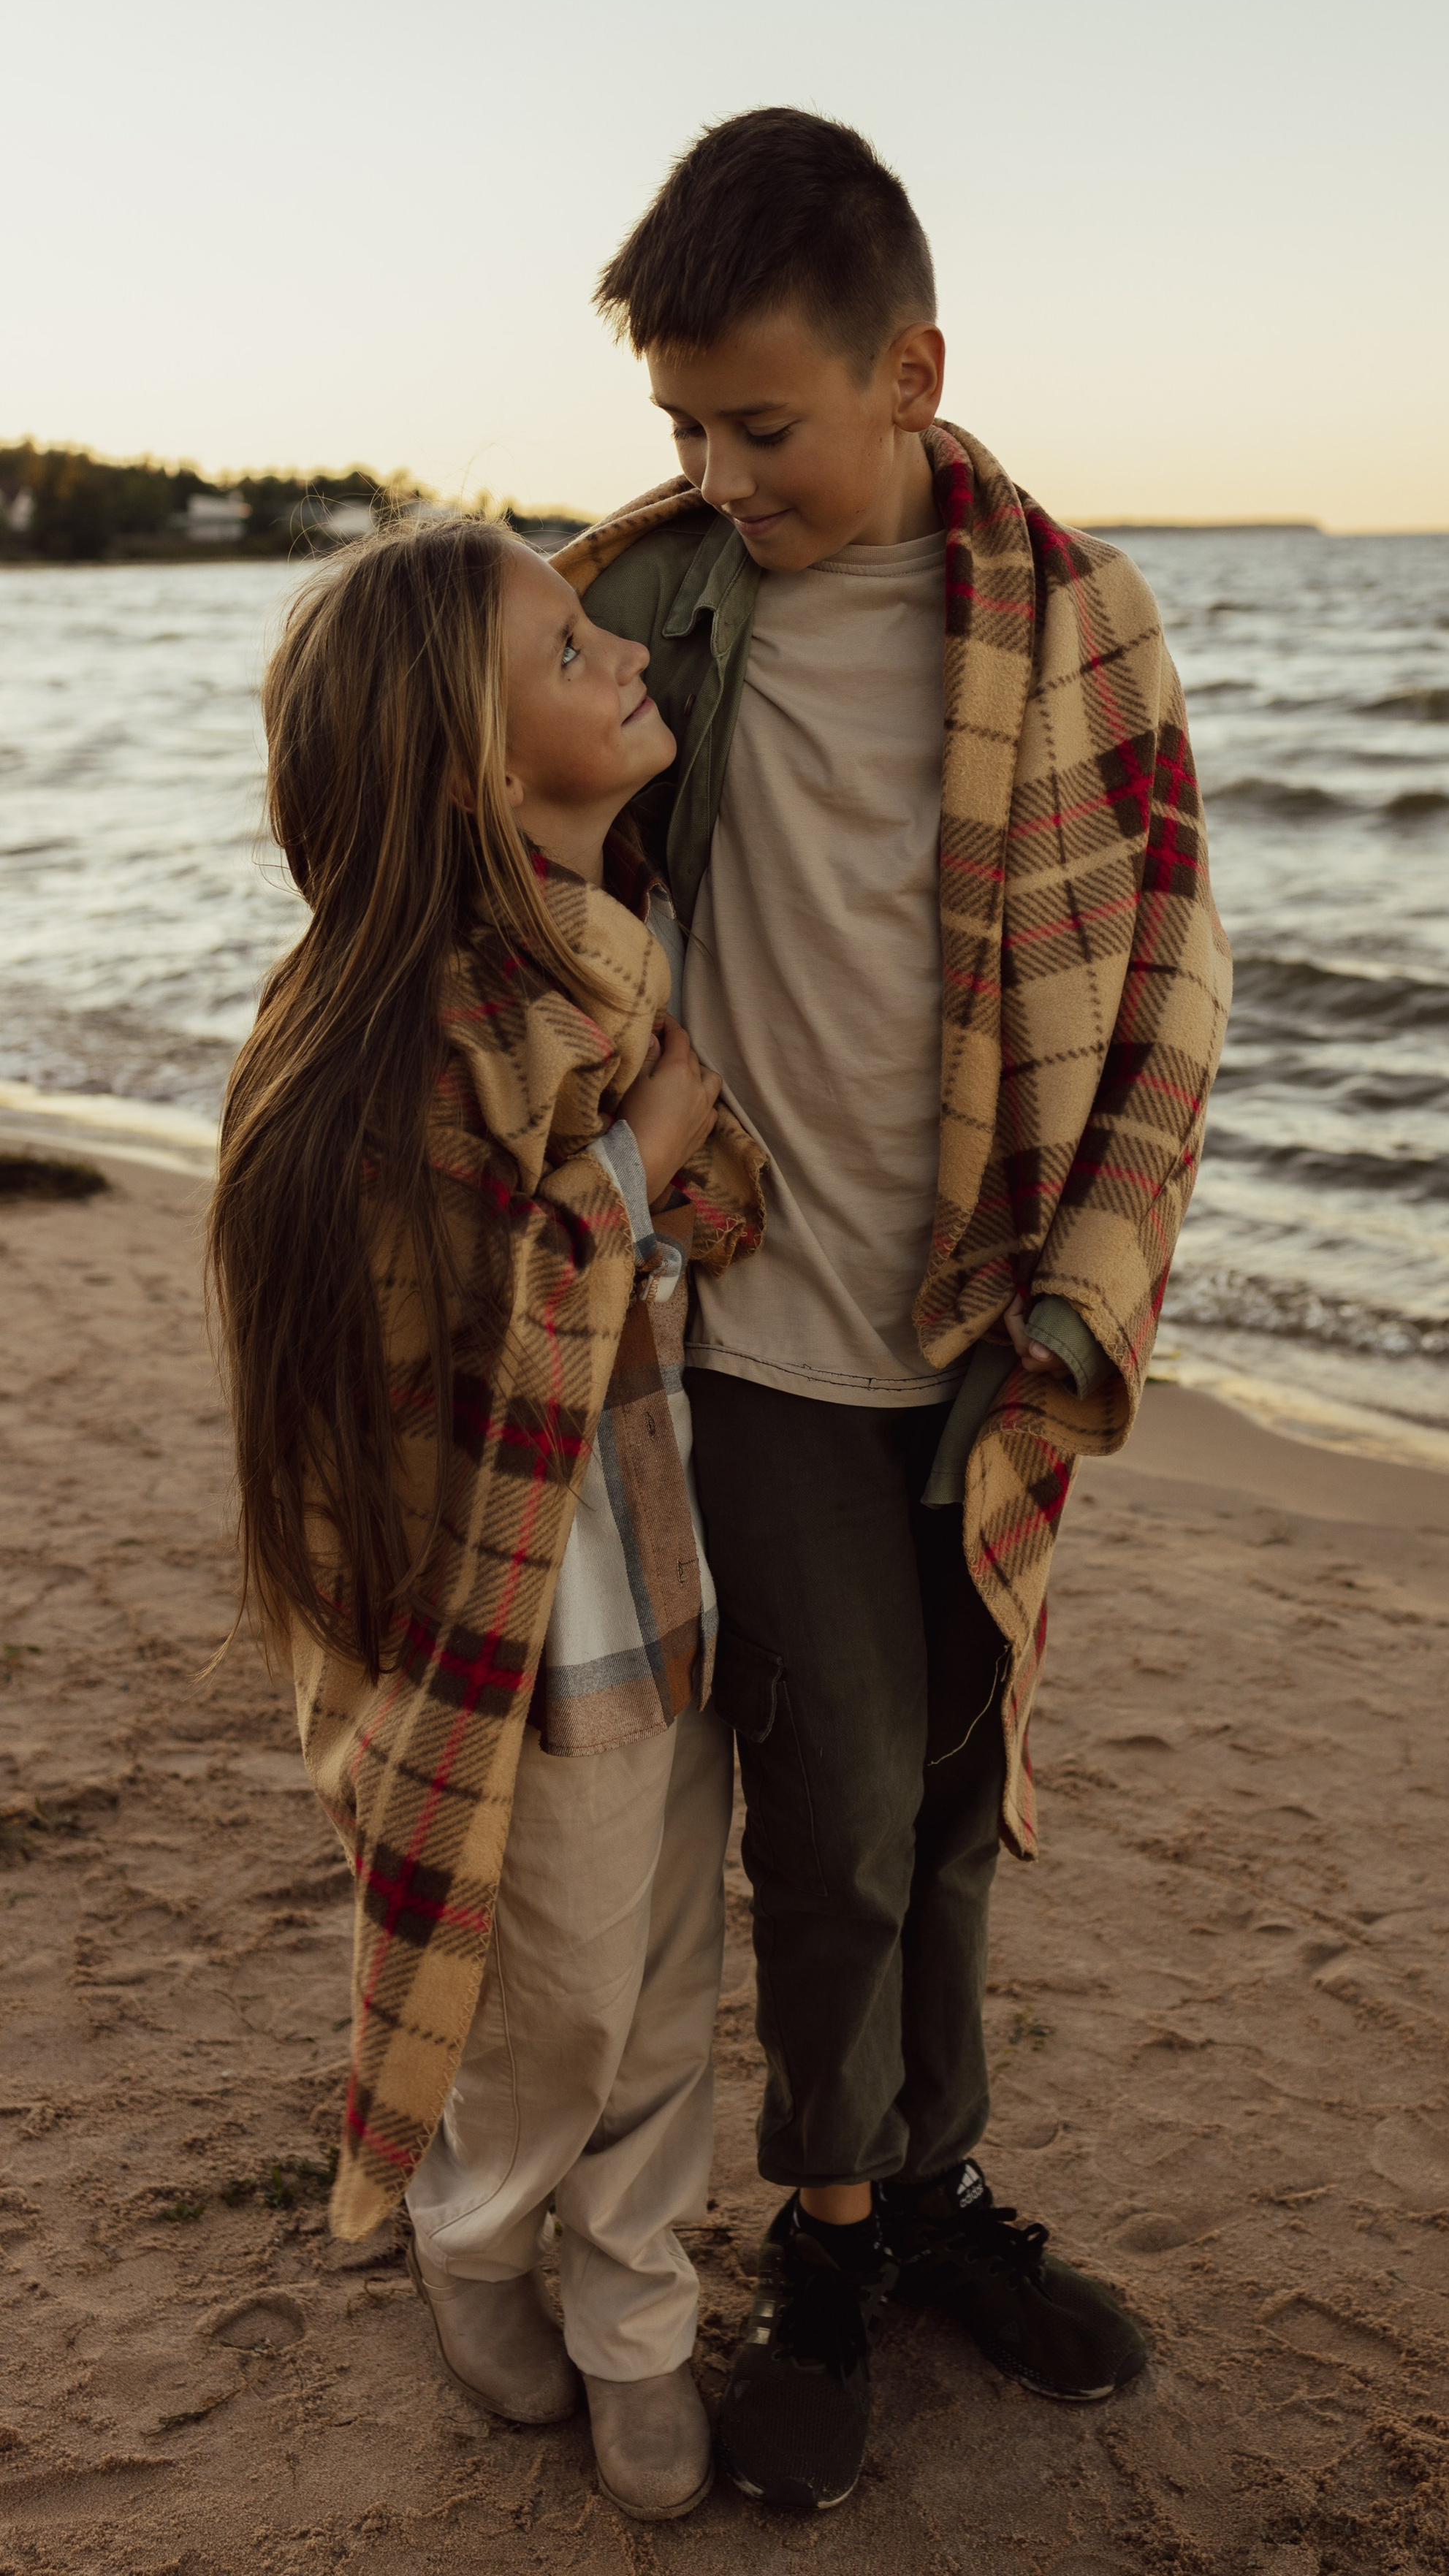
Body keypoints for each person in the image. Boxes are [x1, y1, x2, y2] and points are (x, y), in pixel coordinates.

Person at [559, 108, 1234, 2511]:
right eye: (685, 428)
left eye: (767, 424)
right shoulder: (636, 606)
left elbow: (1171, 960)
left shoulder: (1070, 612)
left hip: (983, 1322)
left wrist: (1094, 1282)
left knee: (953, 1798)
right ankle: (826, 2246)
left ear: (912, 369)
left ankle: (935, 2195)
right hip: (750, 1327)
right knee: (833, 1805)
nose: (723, 471)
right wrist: (635, 1098)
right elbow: (497, 879)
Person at [206, 516, 763, 2522]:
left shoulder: (619, 932)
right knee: (556, 1995)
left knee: (671, 1964)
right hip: (506, 1601)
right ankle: (476, 2228)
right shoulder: (423, 1018)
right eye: (566, 649)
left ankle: (631, 2313)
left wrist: (668, 1146)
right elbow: (475, 1319)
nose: (626, 655)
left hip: (650, 1546)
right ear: (467, 763)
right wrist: (652, 1149)